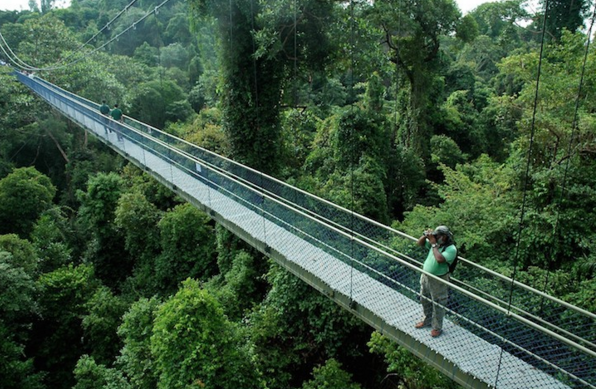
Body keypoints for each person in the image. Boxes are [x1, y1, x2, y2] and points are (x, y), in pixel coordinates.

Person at [415, 225, 457, 337]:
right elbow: (419, 243)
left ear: (444, 237)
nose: (436, 237)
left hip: (439, 280)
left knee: (438, 303)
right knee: (425, 299)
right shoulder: (436, 244)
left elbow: (439, 259)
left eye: (438, 235)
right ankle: (427, 320)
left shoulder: (451, 249)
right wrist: (425, 236)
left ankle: (437, 328)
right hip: (426, 276)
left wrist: (433, 244)